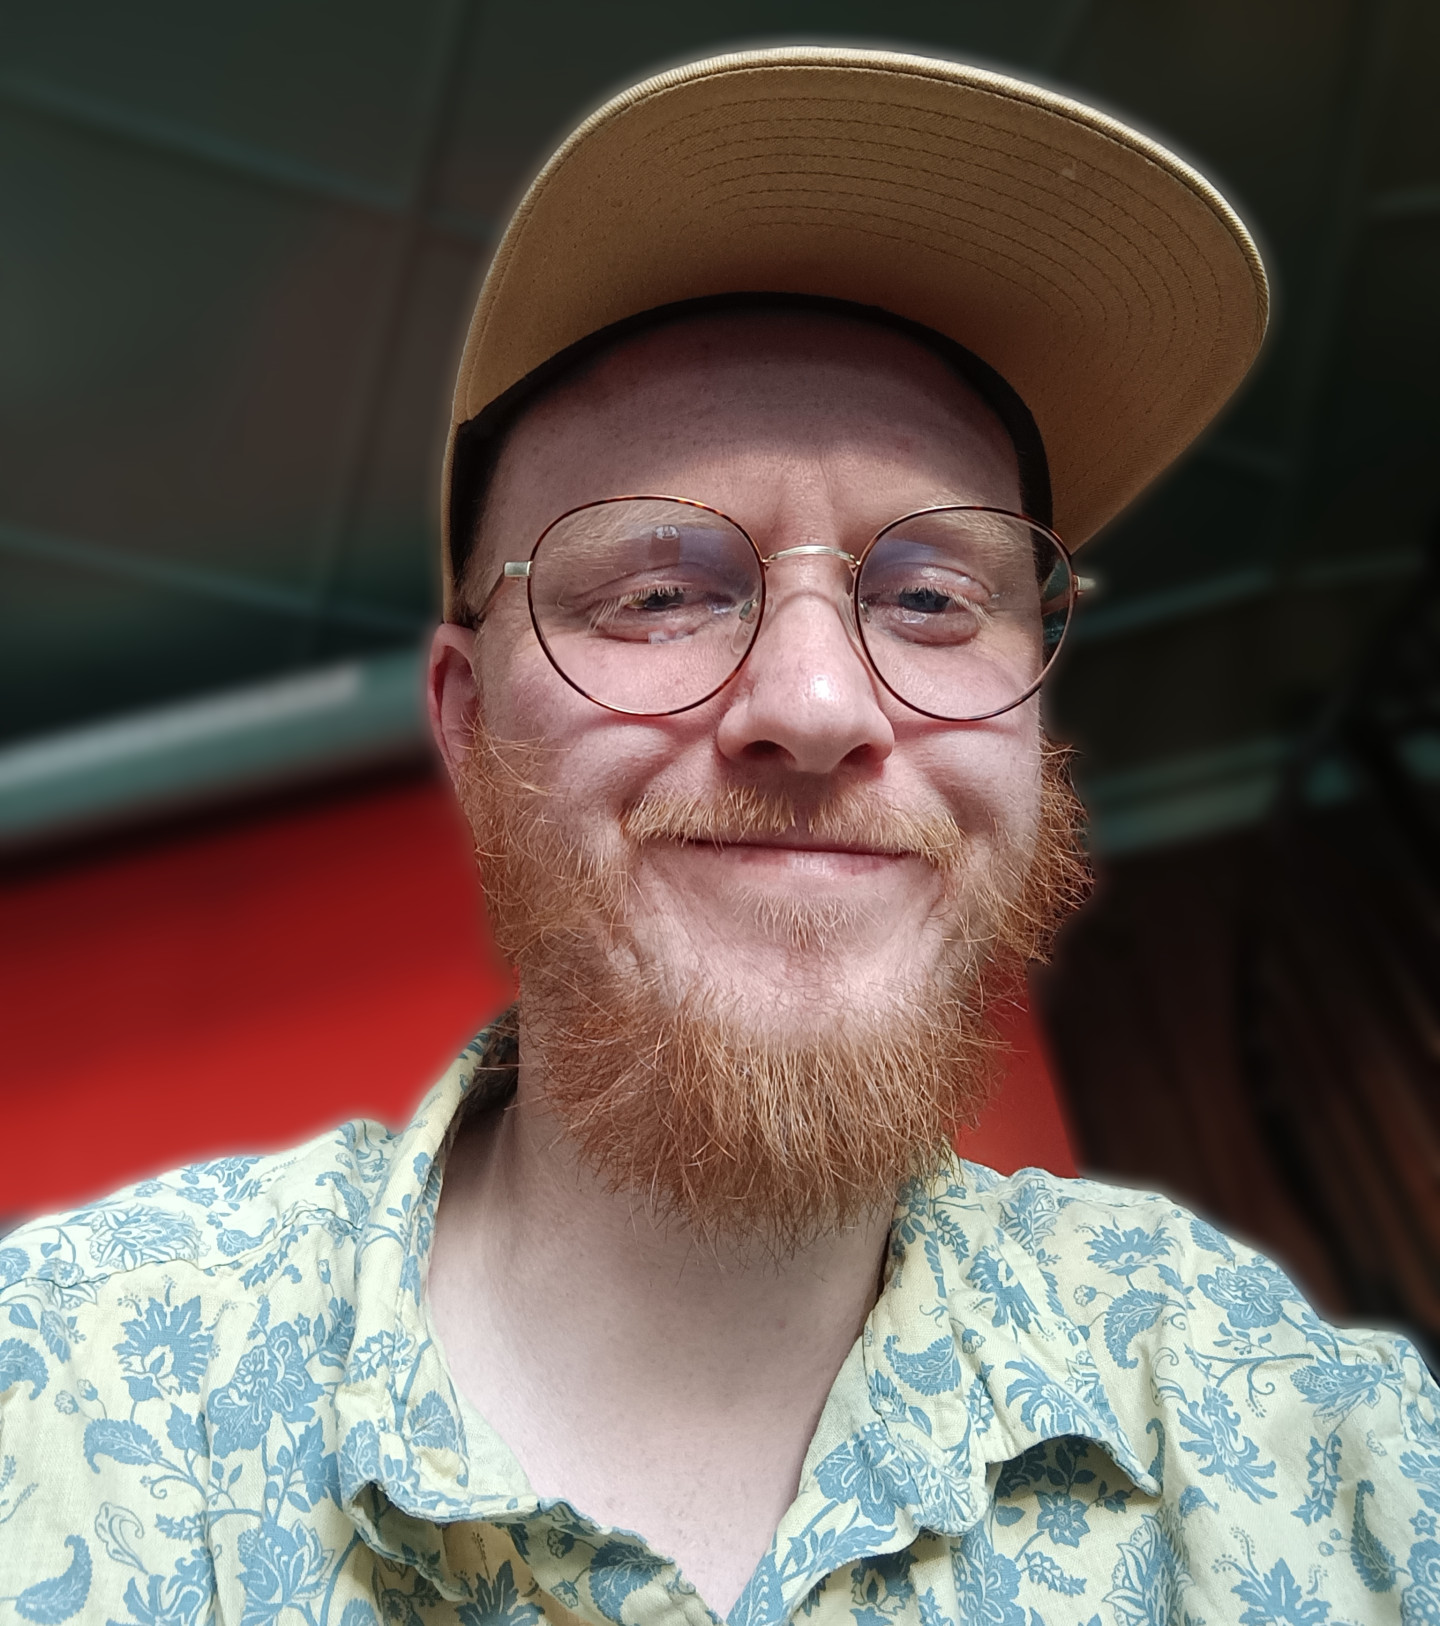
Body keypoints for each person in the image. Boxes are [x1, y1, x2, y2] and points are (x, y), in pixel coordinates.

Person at [1, 45, 1435, 1626]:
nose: (817, 701)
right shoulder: (55, 1401)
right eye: (664, 589)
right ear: (468, 717)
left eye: (935, 597)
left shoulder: (1306, 1443)